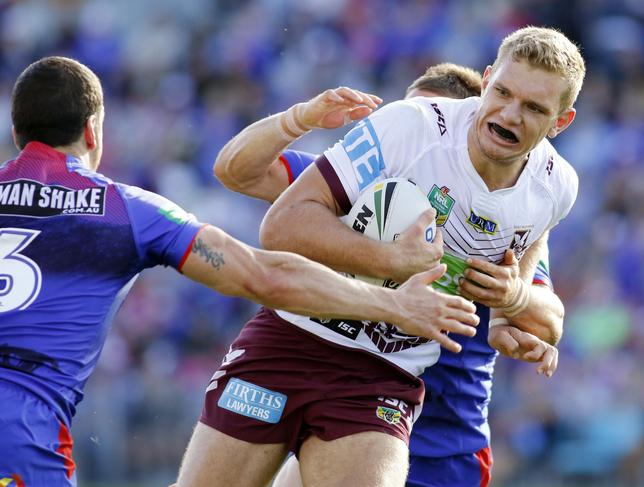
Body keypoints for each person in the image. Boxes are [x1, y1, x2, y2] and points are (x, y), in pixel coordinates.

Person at [0, 56, 481, 486]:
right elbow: (256, 258)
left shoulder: (503, 215)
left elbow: (536, 313)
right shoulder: (126, 209)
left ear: (17, 131)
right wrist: (399, 303)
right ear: (93, 131)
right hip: (21, 423)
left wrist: (518, 299)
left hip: (413, 412)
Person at [177, 25, 583, 487]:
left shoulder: (554, 187)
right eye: (504, 93)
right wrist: (299, 120)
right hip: (292, 341)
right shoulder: (406, 130)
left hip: (390, 379)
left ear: (560, 122)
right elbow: (269, 209)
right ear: (487, 81)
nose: (511, 114)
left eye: (533, 107)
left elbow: (530, 300)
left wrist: (511, 307)